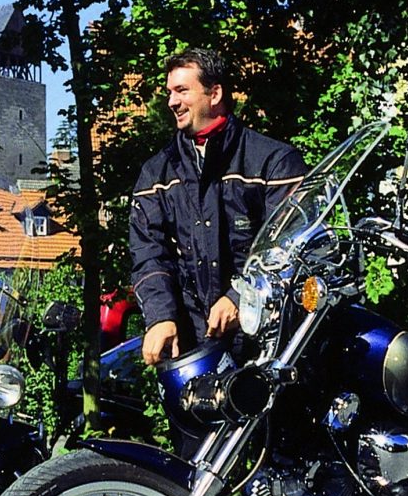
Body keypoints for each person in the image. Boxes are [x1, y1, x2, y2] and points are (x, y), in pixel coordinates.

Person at [130, 47, 306, 373]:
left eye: (182, 90)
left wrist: (241, 296)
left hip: (268, 341)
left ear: (215, 94)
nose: (171, 102)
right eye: (170, 92)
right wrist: (160, 317)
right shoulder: (155, 175)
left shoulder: (274, 162)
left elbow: (289, 247)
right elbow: (148, 255)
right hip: (192, 348)